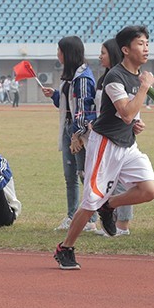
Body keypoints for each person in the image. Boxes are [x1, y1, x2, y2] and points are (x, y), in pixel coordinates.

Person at [54, 26, 154, 270]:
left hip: (128, 145)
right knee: (91, 199)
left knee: (149, 190)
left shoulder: (137, 76)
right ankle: (65, 248)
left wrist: (136, 123)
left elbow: (130, 115)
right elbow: (125, 112)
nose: (146, 48)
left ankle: (109, 205)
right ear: (125, 50)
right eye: (140, 44)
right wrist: (144, 88)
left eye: (147, 43)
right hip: (105, 145)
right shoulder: (115, 77)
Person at [42, 36, 97, 231]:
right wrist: (55, 95)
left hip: (79, 132)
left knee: (83, 174)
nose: (58, 54)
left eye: (60, 51)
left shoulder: (82, 78)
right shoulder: (71, 76)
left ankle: (90, 219)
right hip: (69, 129)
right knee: (70, 176)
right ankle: (72, 215)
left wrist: (77, 135)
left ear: (68, 53)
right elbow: (69, 104)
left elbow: (84, 109)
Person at [93, 38, 132, 235]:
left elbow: (129, 107)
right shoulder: (105, 78)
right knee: (107, 181)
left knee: (121, 182)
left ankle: (123, 225)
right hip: (103, 134)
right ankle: (111, 223)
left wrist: (135, 122)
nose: (100, 56)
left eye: (103, 53)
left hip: (120, 135)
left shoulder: (121, 78)